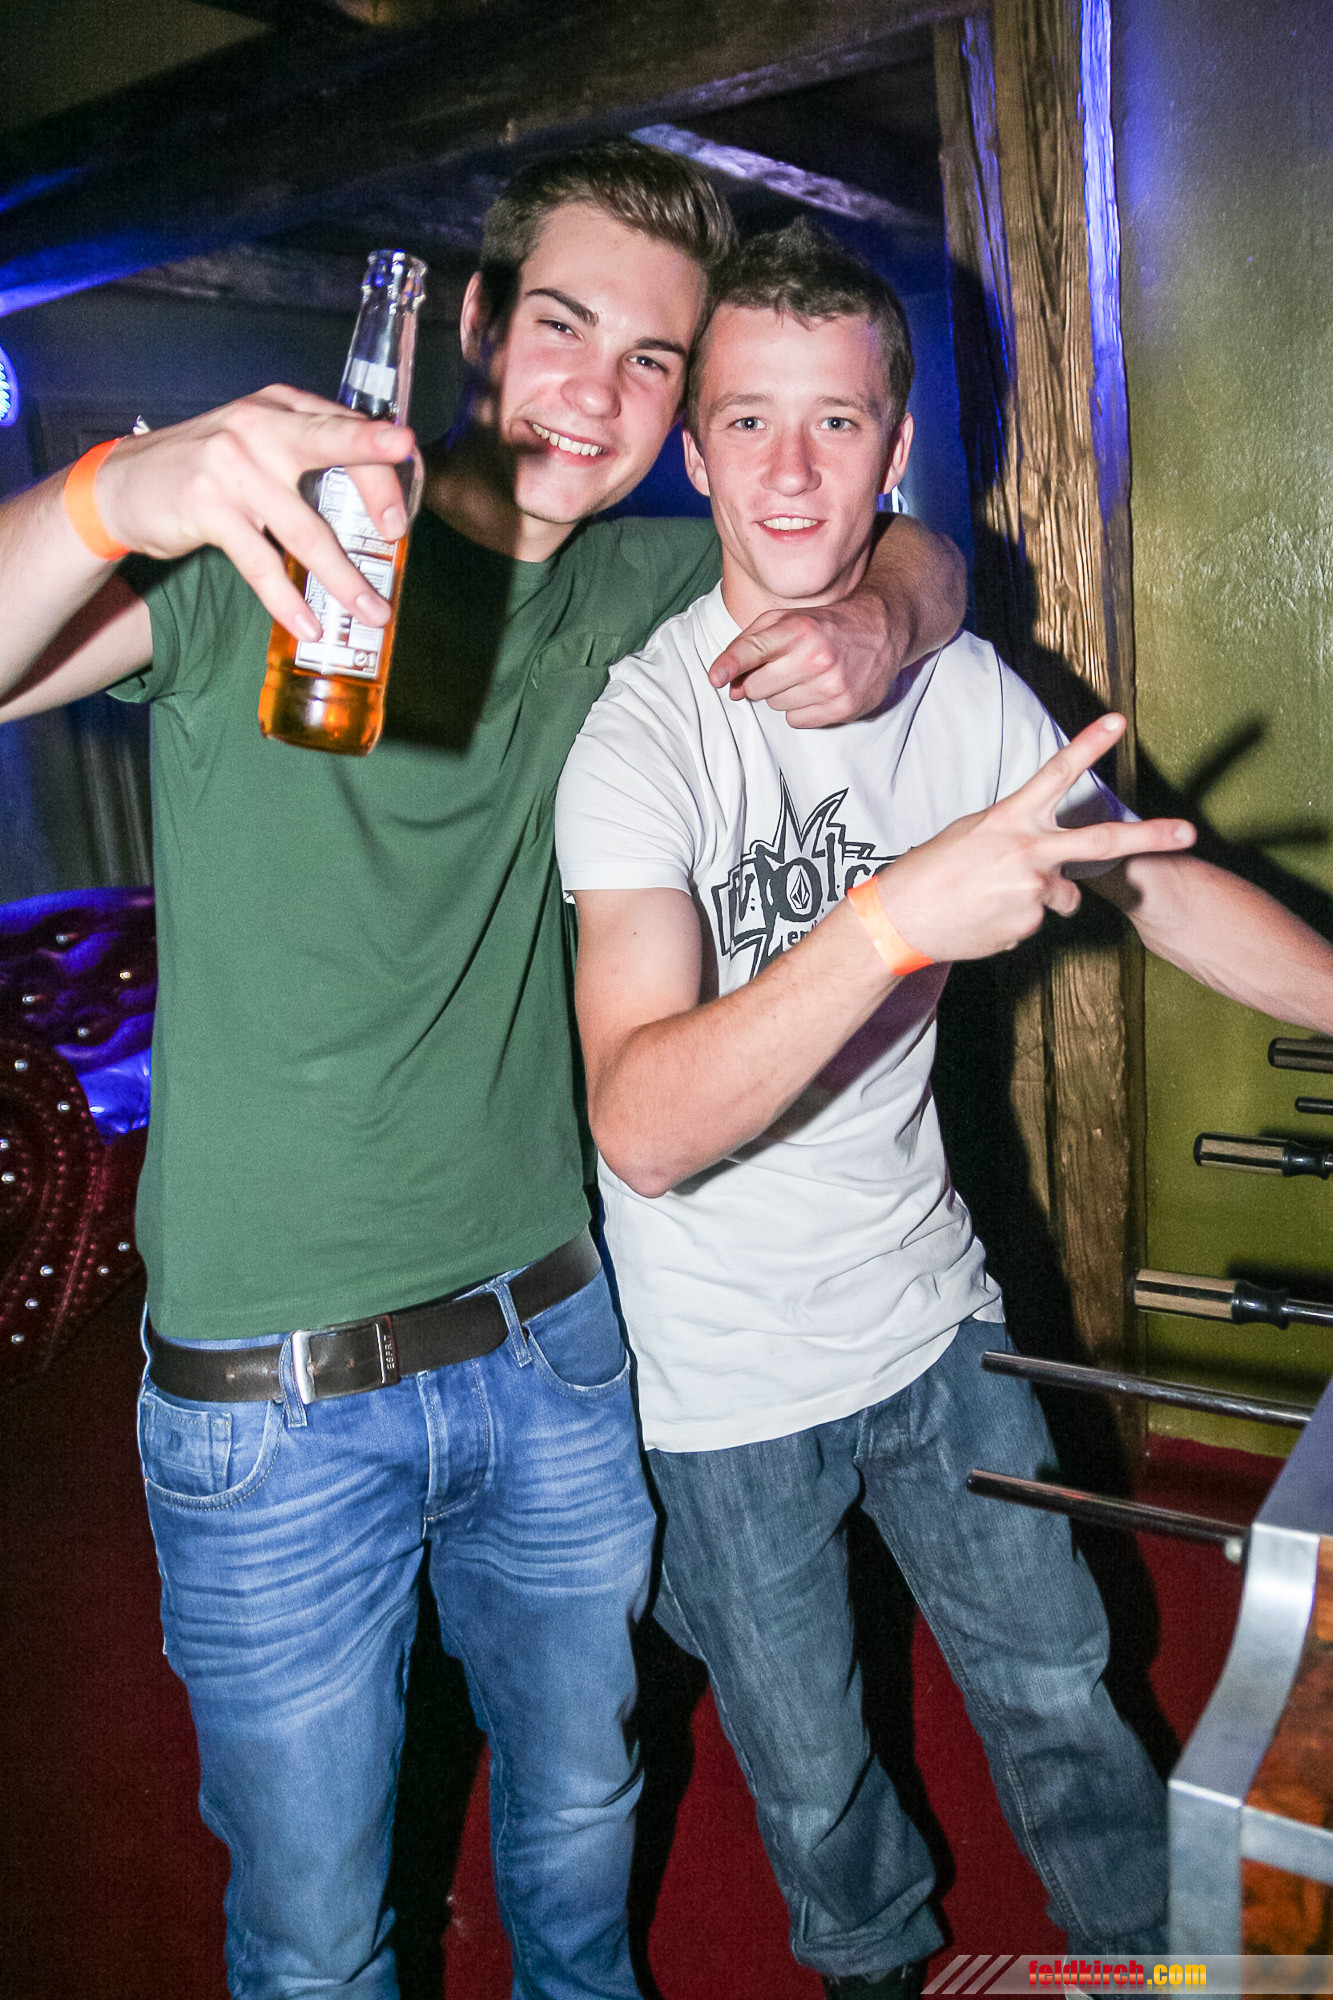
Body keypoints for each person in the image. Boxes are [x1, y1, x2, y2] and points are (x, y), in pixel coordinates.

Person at [0, 150, 968, 2000]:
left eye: (652, 362)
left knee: (586, 1827)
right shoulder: (258, 558)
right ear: (473, 328)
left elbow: (910, 542)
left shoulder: (631, 588)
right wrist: (117, 489)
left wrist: (882, 616)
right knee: (314, 1937)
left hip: (555, 1348)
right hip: (271, 1399)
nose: (596, 394)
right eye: (562, 328)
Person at [554, 221, 1333, 1997]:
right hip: (721, 1378)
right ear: (695, 458)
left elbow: (1161, 889)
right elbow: (644, 1125)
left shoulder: (954, 684)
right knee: (813, 1775)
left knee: (1059, 1682)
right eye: (747, 423)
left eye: (835, 422)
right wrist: (893, 919)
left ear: (895, 450)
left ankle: (1152, 1963)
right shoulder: (641, 739)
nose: (790, 471)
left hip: (929, 1310)